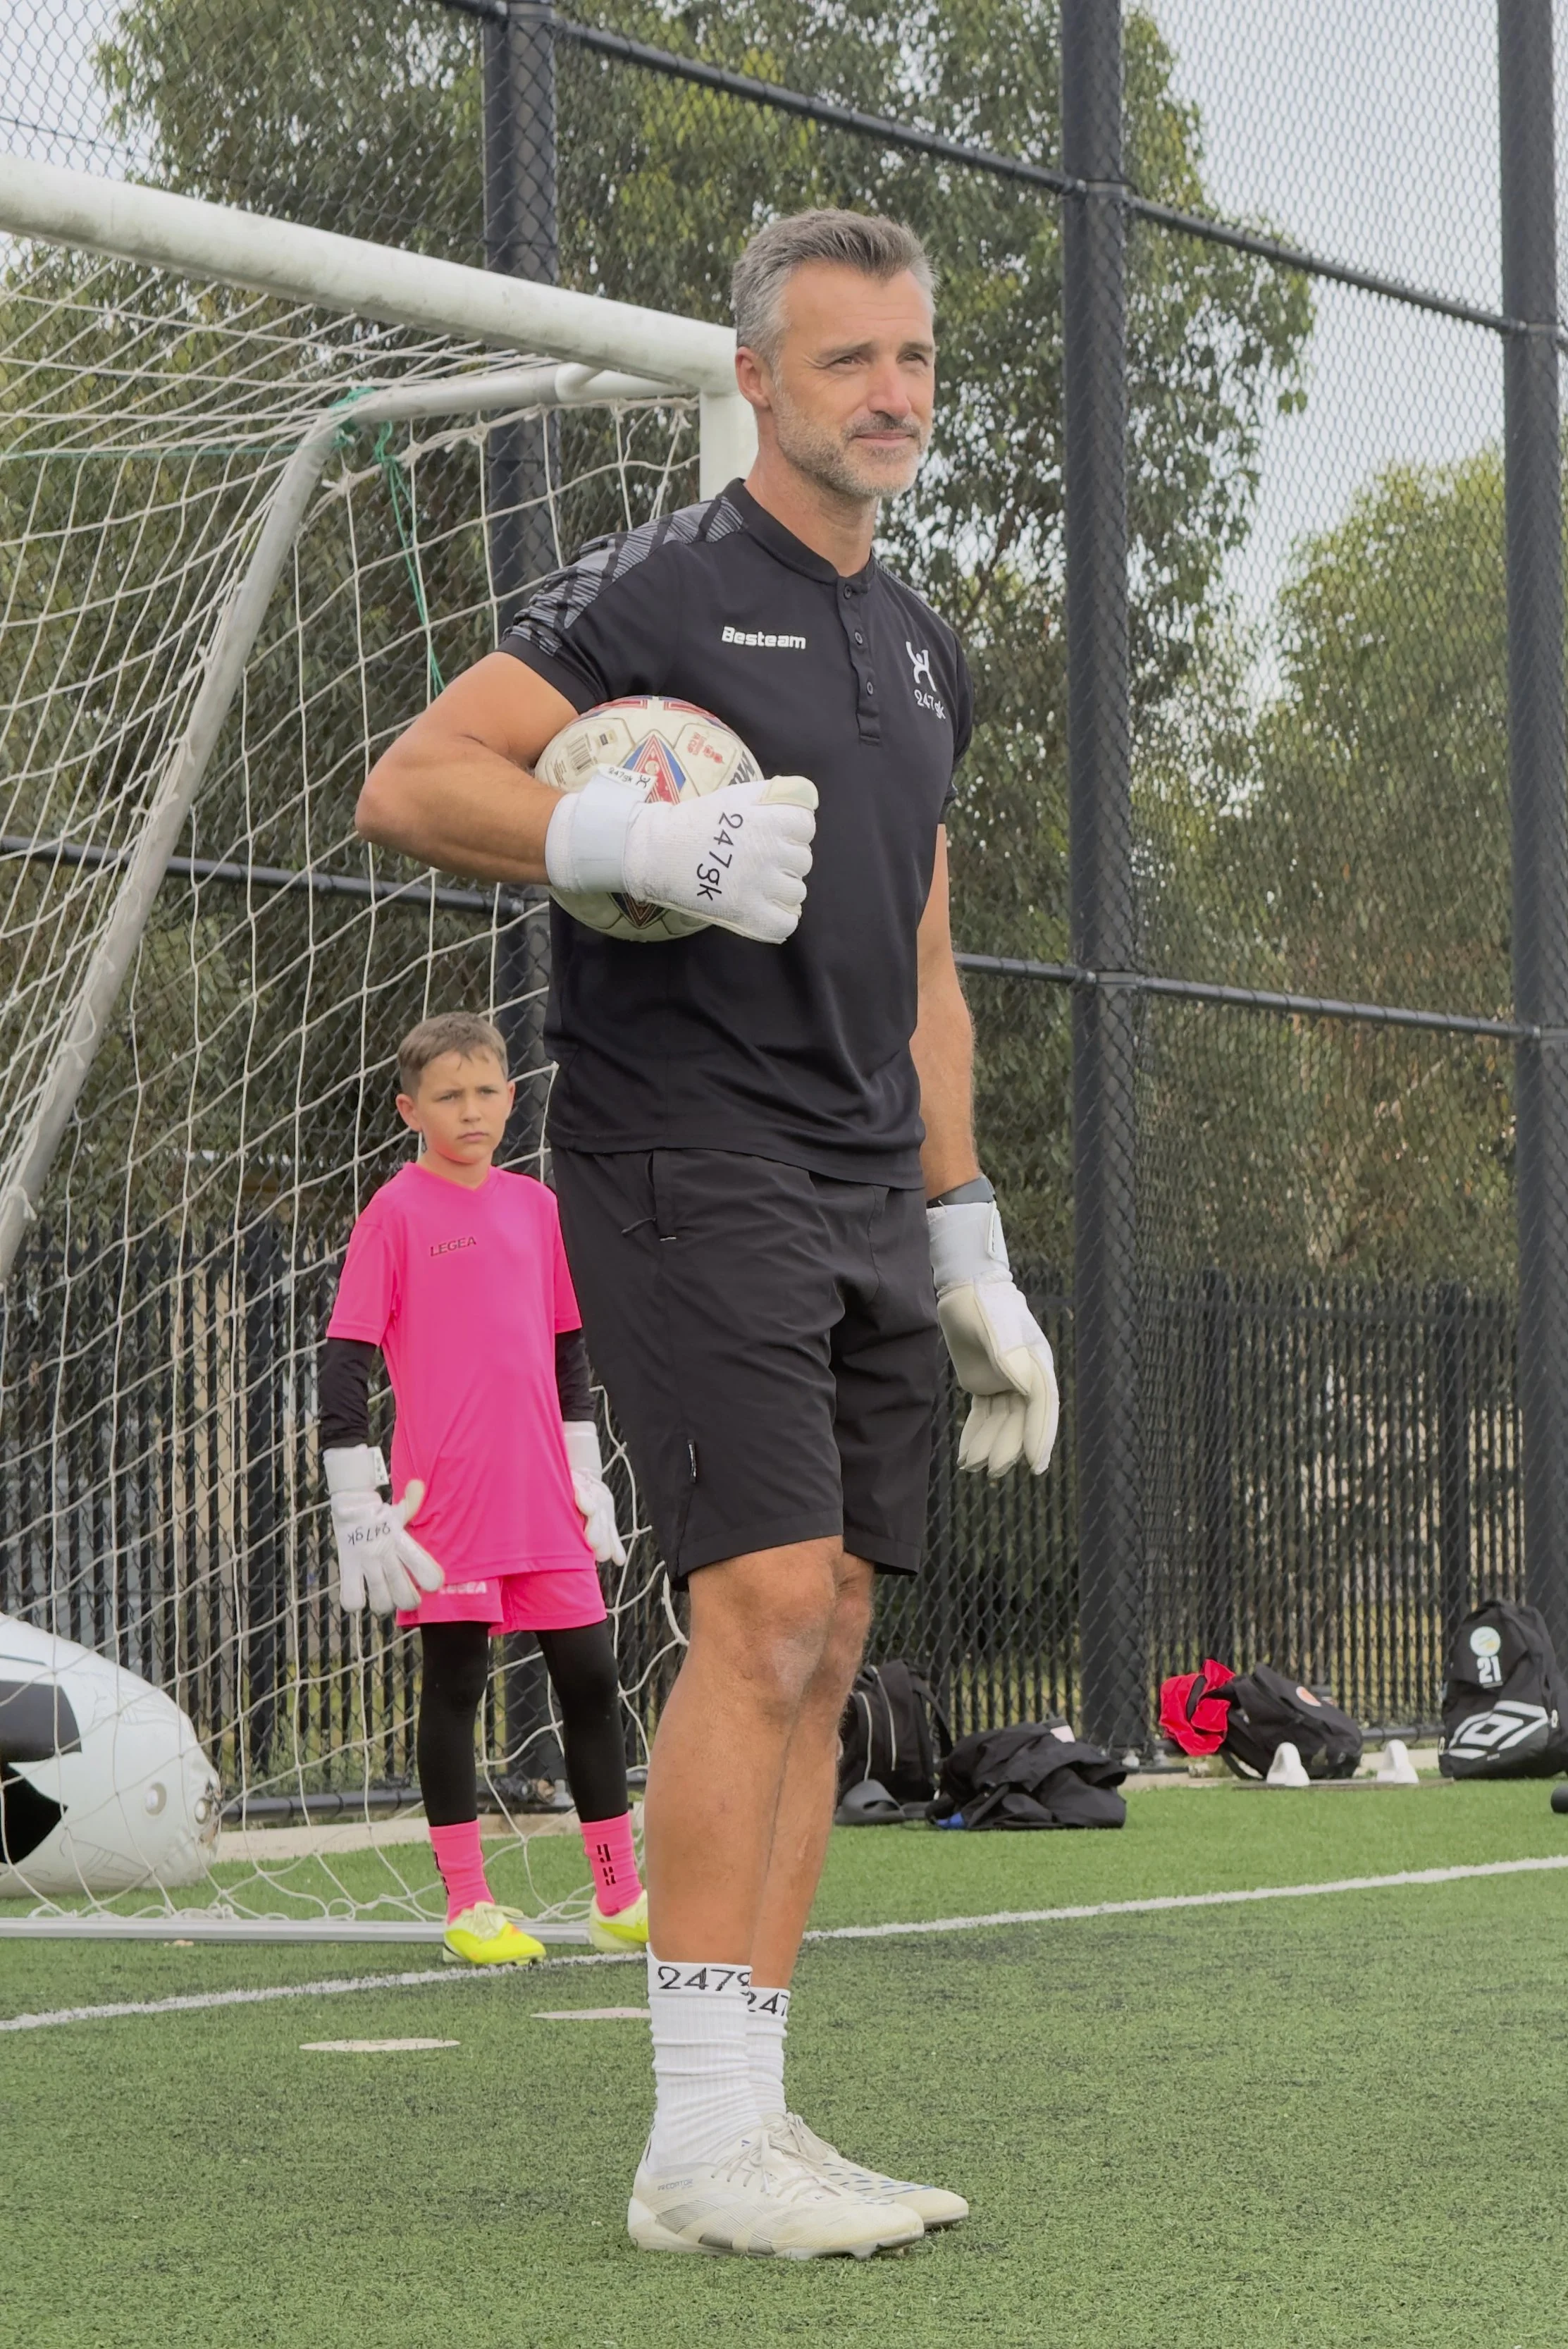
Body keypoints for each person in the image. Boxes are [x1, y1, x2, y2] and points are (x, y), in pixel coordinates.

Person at [355, 212, 1058, 2259]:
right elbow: (413, 779)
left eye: (915, 358)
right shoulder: (661, 585)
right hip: (688, 1160)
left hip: (859, 1179)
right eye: (850, 360)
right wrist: (635, 836)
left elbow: (925, 951)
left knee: (832, 1635)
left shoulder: (924, 645)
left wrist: (968, 1232)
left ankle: (751, 2105)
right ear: (757, 379)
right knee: (756, 1614)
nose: (895, 393)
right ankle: (685, 2141)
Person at [318, 1012, 648, 1968]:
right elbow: (345, 1360)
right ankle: (468, 1906)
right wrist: (355, 1495)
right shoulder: (395, 1212)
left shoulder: (537, 1208)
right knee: (456, 1685)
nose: (471, 1111)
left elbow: (566, 1350)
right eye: (449, 1096)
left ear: (511, 1095)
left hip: (545, 1499)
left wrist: (586, 1476)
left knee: (590, 1677)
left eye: (486, 1092)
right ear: (409, 1109)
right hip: (445, 1509)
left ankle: (619, 1896)